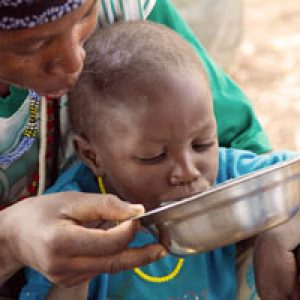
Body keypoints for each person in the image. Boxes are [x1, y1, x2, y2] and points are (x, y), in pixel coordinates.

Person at [0, 0, 298, 299]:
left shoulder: (227, 171)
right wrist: (73, 276)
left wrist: (279, 229)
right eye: (31, 46)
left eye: (203, 144)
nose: (187, 171)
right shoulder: (77, 222)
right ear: (92, 156)